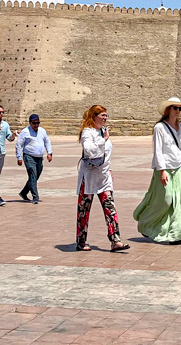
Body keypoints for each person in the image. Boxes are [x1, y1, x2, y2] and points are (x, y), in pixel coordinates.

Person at [133, 97, 181, 245]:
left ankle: (175, 235)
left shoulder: (180, 127)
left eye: (180, 108)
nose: (178, 111)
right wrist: (161, 171)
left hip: (178, 167)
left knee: (179, 202)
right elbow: (158, 151)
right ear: (168, 109)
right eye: (175, 108)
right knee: (166, 199)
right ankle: (145, 223)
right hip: (164, 169)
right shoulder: (159, 127)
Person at [75, 105, 129, 252]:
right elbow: (89, 150)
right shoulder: (88, 132)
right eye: (102, 115)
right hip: (89, 177)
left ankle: (115, 240)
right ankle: (81, 241)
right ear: (94, 116)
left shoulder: (103, 131)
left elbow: (107, 154)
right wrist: (103, 140)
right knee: (84, 211)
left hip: (104, 177)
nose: (105, 118)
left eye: (106, 115)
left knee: (110, 208)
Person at [16, 114, 52, 203]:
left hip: (39, 157)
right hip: (29, 156)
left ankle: (24, 192)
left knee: (35, 177)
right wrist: (19, 157)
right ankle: (35, 197)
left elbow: (47, 141)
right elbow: (19, 145)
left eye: (38, 123)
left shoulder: (42, 131)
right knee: (32, 174)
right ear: (30, 123)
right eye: (34, 123)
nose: (36, 125)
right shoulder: (25, 132)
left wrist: (49, 153)